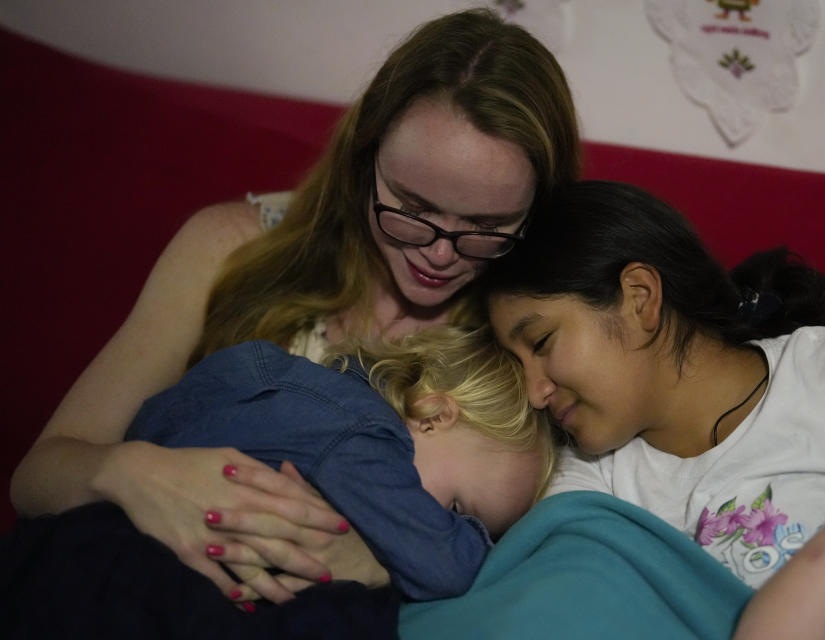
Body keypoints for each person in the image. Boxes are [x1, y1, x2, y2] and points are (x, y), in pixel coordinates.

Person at [10, 7, 580, 604]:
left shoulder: (527, 342)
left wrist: (380, 559)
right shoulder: (231, 247)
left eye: (487, 227)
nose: (439, 254)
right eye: (411, 207)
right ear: (365, 159)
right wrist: (136, 475)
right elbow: (38, 476)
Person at [484, 180, 825, 638]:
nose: (534, 392)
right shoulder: (587, 484)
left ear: (639, 299)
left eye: (542, 342)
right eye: (517, 365)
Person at [3, 326, 553, 638]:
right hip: (139, 578)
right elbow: (446, 565)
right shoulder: (362, 437)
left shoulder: (280, 389)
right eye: (459, 507)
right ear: (432, 414)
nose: (447, 523)